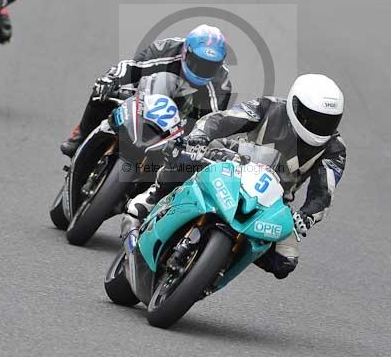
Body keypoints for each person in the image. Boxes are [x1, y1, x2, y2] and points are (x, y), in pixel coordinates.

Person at [126, 74, 346, 279]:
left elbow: (324, 192)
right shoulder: (269, 107)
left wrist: (306, 215)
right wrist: (200, 137)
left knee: (285, 262)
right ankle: (154, 197)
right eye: (314, 119)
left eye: (329, 121)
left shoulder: (335, 149)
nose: (321, 127)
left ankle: (218, 266)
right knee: (186, 157)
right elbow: (222, 119)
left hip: (271, 198)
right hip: (230, 162)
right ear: (295, 106)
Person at [61, 24, 232, 157]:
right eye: (197, 62)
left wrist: (195, 141)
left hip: (181, 123)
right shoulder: (165, 50)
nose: (201, 70)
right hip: (146, 98)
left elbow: (212, 122)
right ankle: (81, 135)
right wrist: (111, 79)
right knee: (102, 92)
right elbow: (131, 67)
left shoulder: (221, 85)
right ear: (186, 52)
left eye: (210, 66)